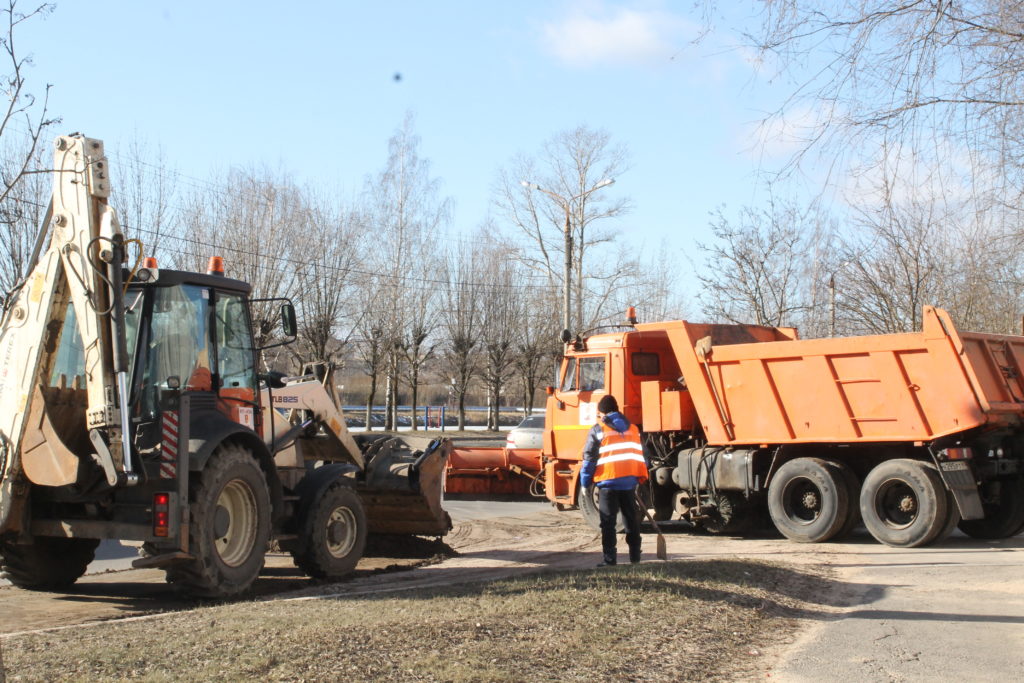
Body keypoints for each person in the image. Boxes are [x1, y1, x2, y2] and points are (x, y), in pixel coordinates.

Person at [579, 394, 648, 567]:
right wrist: (637, 477)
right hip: (629, 483)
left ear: (602, 413)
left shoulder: (598, 429)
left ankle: (610, 560)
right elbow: (643, 455)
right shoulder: (633, 428)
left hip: (608, 483)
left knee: (608, 522)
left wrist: (585, 482)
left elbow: (589, 458)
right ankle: (635, 557)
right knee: (630, 519)